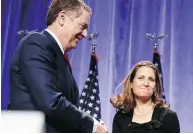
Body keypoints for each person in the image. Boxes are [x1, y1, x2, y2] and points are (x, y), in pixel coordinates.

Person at [8, 0, 107, 133]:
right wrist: (92, 125)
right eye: (82, 26)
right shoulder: (36, 44)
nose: (85, 34)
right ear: (62, 18)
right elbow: (50, 102)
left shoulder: (60, 57)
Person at [110, 61, 180, 133]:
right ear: (131, 84)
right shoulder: (120, 117)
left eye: (151, 79)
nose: (146, 83)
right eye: (141, 78)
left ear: (155, 87)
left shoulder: (169, 116)